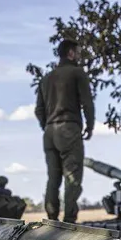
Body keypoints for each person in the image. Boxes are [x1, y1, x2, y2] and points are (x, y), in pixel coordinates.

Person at [34, 39, 95, 223]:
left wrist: (47, 125)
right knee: (72, 176)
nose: (79, 56)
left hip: (49, 133)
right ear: (70, 53)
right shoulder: (77, 73)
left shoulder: (45, 79)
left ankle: (51, 218)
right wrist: (89, 125)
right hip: (69, 128)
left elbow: (39, 110)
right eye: (77, 52)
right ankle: (69, 221)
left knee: (53, 177)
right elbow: (87, 102)